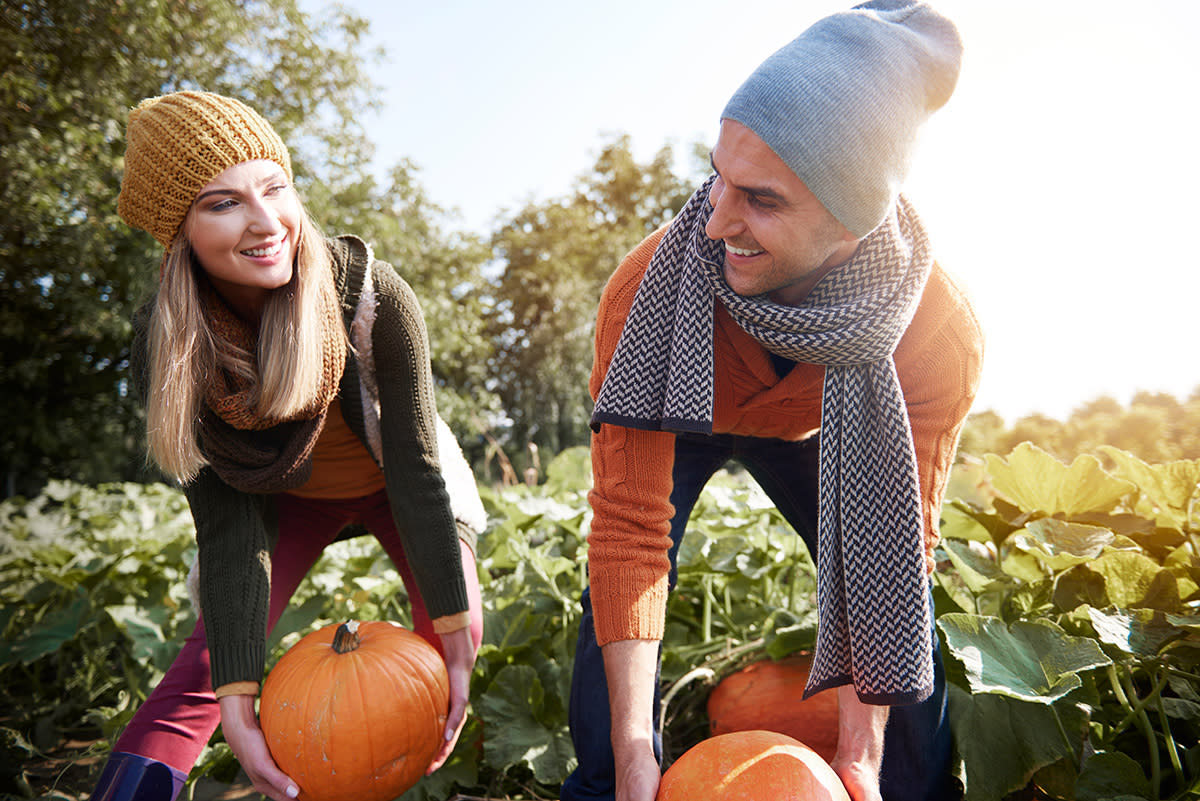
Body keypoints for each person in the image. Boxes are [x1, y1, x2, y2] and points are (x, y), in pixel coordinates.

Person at [561, 3, 983, 801]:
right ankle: (605, 783)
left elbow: (896, 546)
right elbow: (629, 532)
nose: (714, 219)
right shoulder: (647, 294)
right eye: (716, 172)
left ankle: (912, 789)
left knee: (897, 599)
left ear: (854, 217)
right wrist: (630, 753)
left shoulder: (936, 333)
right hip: (681, 412)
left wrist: (858, 754)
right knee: (612, 596)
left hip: (818, 427)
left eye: (761, 198)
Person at [89, 90, 487, 801]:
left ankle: (425, 771)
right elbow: (228, 527)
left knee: (447, 627)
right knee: (214, 658)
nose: (266, 221)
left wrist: (454, 618)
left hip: (399, 482)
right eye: (222, 203)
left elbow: (420, 469)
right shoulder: (171, 344)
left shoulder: (370, 296)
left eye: (275, 187)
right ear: (177, 231)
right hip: (283, 501)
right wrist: (238, 696)